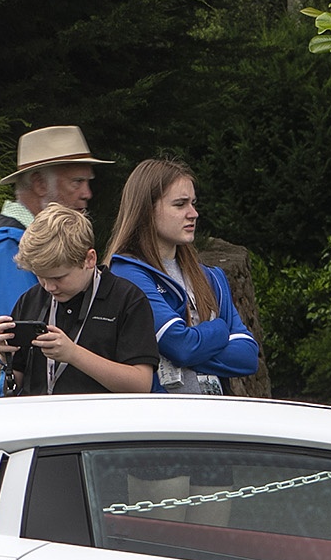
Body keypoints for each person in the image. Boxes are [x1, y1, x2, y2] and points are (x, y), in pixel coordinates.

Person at [0, 126, 107, 399]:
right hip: (5, 415)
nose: (87, 193)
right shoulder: (7, 252)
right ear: (40, 184)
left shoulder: (4, 244)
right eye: (77, 182)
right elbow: (22, 348)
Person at [102, 159, 258, 394]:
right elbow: (181, 346)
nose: (193, 214)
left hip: (216, 413)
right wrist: (220, 329)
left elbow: (247, 356)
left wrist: (181, 353)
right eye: (180, 204)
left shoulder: (212, 277)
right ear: (147, 210)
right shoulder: (127, 274)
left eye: (193, 203)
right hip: (163, 414)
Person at [0, 203, 158, 396]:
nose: (49, 287)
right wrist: (2, 357)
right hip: (40, 414)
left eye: (58, 278)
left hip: (103, 415)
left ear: (90, 259)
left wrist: (73, 354)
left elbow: (140, 384)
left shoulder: (127, 299)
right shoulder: (30, 300)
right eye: (40, 277)